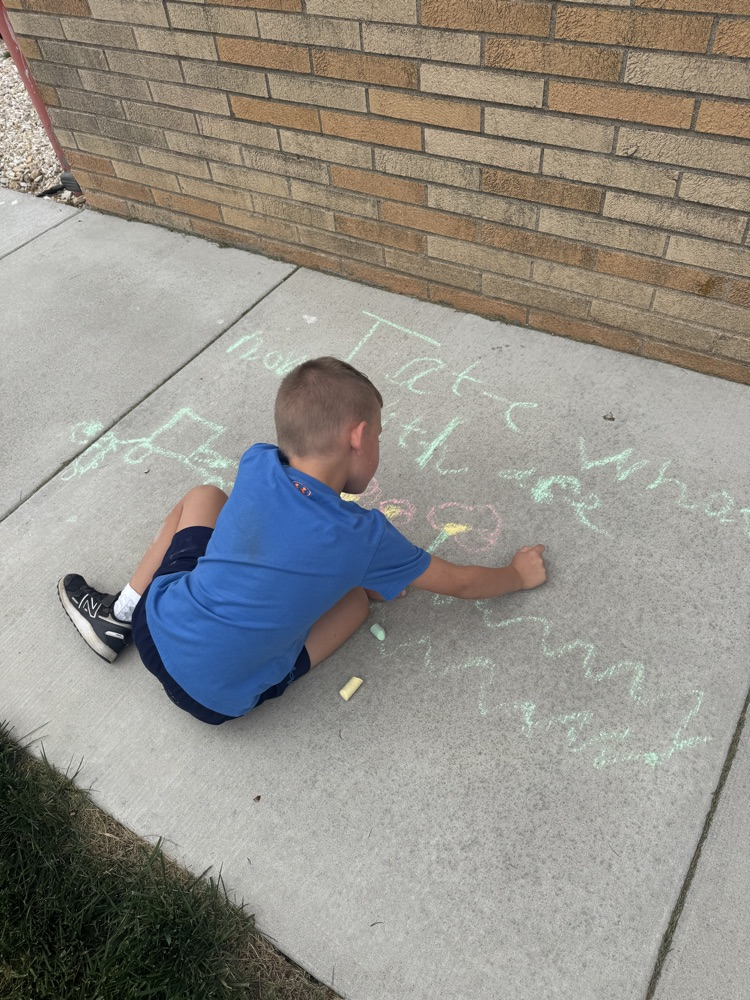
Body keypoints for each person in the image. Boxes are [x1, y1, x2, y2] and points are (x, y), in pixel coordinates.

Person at [58, 357, 547, 726]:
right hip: (218, 701)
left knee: (205, 496)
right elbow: (461, 584)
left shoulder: (257, 461)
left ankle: (120, 613)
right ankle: (125, 616)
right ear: (358, 438)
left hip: (156, 631)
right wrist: (518, 575)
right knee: (356, 602)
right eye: (380, 436)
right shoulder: (366, 537)